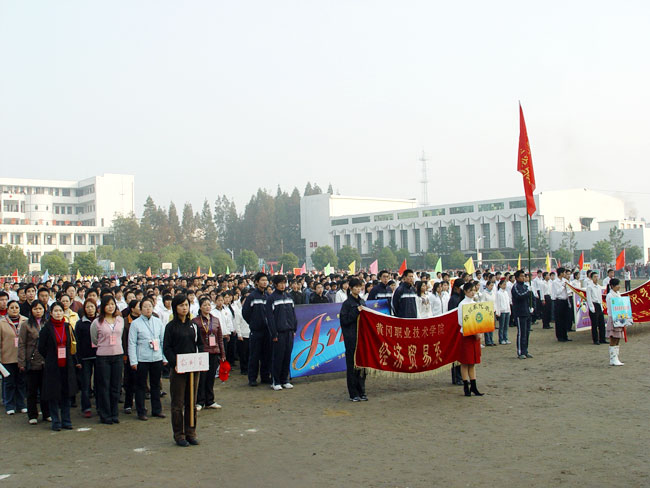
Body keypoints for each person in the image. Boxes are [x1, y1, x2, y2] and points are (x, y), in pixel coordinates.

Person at [163, 294, 204, 447]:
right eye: (181, 305)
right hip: (178, 369)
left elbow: (200, 344)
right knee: (178, 403)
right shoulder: (170, 327)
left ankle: (191, 432)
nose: (184, 308)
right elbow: (167, 348)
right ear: (175, 308)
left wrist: (199, 359)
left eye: (186, 305)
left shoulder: (194, 325)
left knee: (191, 401)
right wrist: (175, 363)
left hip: (193, 368)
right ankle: (179, 434)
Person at [38, 301, 81, 431]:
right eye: (55, 311)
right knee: (53, 395)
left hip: (67, 365)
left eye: (60, 311)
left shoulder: (68, 327)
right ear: (51, 313)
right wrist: (50, 357)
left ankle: (66, 421)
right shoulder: (46, 328)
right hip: (53, 366)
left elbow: (73, 344)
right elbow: (41, 348)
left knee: (66, 394)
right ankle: (56, 422)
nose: (58, 313)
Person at [128, 297, 167, 421]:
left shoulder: (158, 322)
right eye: (144, 307)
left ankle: (157, 410)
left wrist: (164, 357)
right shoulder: (135, 323)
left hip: (156, 357)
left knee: (155, 385)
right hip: (142, 359)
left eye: (150, 306)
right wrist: (133, 361)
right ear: (140, 309)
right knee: (141, 386)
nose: (147, 309)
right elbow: (132, 343)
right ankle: (141, 411)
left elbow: (163, 341)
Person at [91, 295, 125, 425]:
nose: (110, 307)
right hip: (103, 357)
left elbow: (121, 336)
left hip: (118, 355)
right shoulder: (97, 322)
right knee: (104, 386)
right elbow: (94, 339)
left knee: (116, 386)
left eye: (112, 304)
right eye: (107, 304)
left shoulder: (120, 320)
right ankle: (105, 414)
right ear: (103, 307)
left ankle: (114, 413)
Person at [17, 301, 50, 424]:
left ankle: (47, 413)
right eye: (35, 309)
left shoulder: (47, 323)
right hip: (31, 361)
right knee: (32, 390)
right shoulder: (26, 325)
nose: (38, 311)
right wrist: (21, 362)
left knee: (45, 389)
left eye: (40, 308)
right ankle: (32, 415)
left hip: (45, 361)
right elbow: (21, 344)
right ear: (31, 310)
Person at [266, 275, 298, 391]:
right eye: (280, 283)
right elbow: (270, 318)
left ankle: (285, 380)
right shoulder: (271, 299)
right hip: (279, 333)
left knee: (287, 356)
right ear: (275, 284)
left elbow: (293, 314)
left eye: (284, 283)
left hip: (289, 331)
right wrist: (274, 333)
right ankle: (276, 381)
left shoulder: (289, 297)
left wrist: (294, 328)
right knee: (278, 357)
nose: (283, 285)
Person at [192, 297, 224, 410]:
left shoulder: (215, 320)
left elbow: (219, 338)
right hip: (202, 352)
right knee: (202, 378)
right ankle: (200, 401)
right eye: (204, 305)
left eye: (209, 305)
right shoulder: (196, 321)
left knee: (211, 377)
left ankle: (210, 400)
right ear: (200, 307)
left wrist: (222, 353)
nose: (207, 307)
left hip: (214, 351)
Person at [339, 277, 367, 402]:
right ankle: (353, 393)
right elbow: (344, 321)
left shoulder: (362, 301)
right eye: (356, 287)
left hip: (362, 338)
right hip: (351, 338)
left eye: (360, 287)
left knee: (362, 366)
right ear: (350, 288)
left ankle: (362, 391)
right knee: (352, 366)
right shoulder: (347, 304)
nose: (358, 289)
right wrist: (356, 311)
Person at [242, 273, 272, 387]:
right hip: (256, 331)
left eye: (266, 280)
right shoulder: (252, 297)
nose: (265, 282)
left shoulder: (268, 296)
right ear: (256, 282)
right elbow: (245, 313)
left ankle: (265, 376)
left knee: (266, 355)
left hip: (267, 331)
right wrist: (253, 323)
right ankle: (252, 378)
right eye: (262, 280)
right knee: (254, 355)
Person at [1, 300, 27, 414]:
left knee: (21, 382)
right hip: (7, 357)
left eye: (16, 307)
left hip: (22, 357)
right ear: (7, 309)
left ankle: (21, 404)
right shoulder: (2, 323)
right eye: (12, 307)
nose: (14, 309)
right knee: (9, 383)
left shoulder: (25, 321)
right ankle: (9, 405)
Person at [457, 283, 483, 397]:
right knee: (465, 362)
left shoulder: (474, 303)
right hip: (466, 335)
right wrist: (474, 331)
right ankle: (466, 386)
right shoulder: (462, 304)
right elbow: (461, 322)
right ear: (465, 291)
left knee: (472, 362)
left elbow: (479, 319)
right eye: (470, 290)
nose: (473, 292)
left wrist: (479, 331)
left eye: (474, 290)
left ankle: (474, 386)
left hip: (475, 335)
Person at [75, 299, 98, 418]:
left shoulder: (100, 321)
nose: (90, 309)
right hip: (85, 357)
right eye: (88, 307)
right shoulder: (80, 323)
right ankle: (86, 407)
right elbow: (77, 342)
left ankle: (100, 405)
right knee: (85, 383)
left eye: (92, 306)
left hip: (99, 355)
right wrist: (78, 359)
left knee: (99, 382)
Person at [511, 271, 533, 359]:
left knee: (527, 332)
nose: (523, 278)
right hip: (520, 312)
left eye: (524, 276)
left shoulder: (525, 286)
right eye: (521, 276)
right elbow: (519, 296)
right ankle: (520, 352)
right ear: (517, 278)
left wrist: (532, 306)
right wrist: (528, 291)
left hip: (527, 312)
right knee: (521, 333)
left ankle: (525, 350)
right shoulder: (515, 287)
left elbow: (531, 298)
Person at [605, 278, 625, 366]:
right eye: (617, 285)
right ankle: (612, 358)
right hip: (613, 318)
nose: (619, 286)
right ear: (612, 286)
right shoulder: (610, 296)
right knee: (613, 338)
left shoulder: (618, 294)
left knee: (618, 338)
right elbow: (611, 308)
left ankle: (616, 357)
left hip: (619, 318)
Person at [551, 267, 571, 342]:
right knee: (559, 320)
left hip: (565, 301)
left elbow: (568, 290)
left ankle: (565, 336)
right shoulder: (555, 282)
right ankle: (560, 336)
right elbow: (557, 292)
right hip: (559, 301)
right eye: (564, 272)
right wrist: (563, 286)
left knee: (565, 319)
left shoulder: (565, 281)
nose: (565, 274)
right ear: (561, 273)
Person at [587, 272, 607, 345]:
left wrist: (601, 306)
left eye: (597, 276)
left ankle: (602, 339)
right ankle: (595, 340)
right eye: (594, 277)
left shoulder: (599, 286)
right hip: (593, 304)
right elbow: (589, 298)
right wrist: (591, 307)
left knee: (602, 323)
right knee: (594, 324)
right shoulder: (589, 287)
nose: (596, 278)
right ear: (591, 278)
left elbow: (600, 297)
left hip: (599, 305)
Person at [479, 281, 497, 346]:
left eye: (492, 286)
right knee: (487, 326)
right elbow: (482, 302)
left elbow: (495, 302)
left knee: (492, 326)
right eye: (490, 285)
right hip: (487, 311)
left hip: (493, 311)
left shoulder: (493, 293)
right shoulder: (484, 293)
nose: (491, 287)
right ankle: (488, 340)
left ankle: (491, 339)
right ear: (487, 286)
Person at [495, 279, 511, 345]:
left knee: (506, 326)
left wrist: (509, 310)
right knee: (501, 326)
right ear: (500, 285)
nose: (505, 286)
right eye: (503, 284)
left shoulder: (506, 292)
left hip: (507, 310)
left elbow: (508, 302)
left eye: (505, 284)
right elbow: (497, 303)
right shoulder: (498, 293)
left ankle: (505, 338)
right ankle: (501, 339)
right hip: (502, 311)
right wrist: (498, 312)